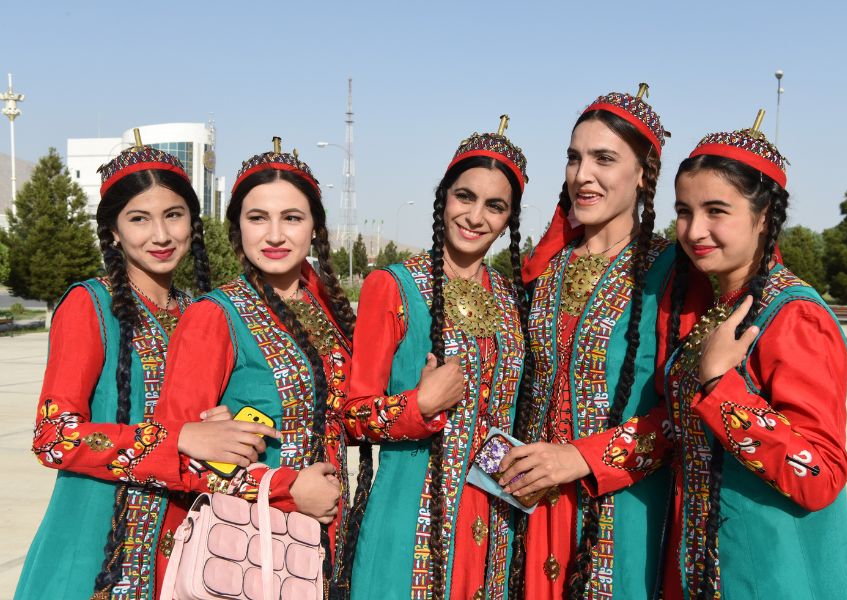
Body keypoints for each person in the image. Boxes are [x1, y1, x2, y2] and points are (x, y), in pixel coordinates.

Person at [661, 111, 847, 599]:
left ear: (764, 217)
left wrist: (719, 385)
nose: (694, 230)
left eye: (716, 211)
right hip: (709, 566)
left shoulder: (794, 316)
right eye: (685, 211)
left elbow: (819, 474)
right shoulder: (724, 307)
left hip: (772, 573)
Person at [153, 138, 359, 596]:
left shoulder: (326, 309)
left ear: (315, 229)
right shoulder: (214, 315)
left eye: (292, 217)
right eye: (257, 218)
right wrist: (286, 487)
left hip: (328, 538)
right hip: (251, 547)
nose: (274, 235)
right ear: (238, 228)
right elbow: (171, 451)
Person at [15, 131, 214, 599]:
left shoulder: (202, 312)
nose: (161, 235)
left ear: (193, 222)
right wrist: (177, 439)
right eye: (139, 219)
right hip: (93, 552)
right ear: (113, 231)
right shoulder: (90, 305)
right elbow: (54, 437)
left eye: (173, 215)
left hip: (184, 555)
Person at [500, 86, 680, 599]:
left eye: (605, 158)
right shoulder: (548, 268)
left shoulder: (672, 272)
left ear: (644, 173)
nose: (583, 175)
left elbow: (688, 411)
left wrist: (581, 458)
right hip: (530, 513)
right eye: (575, 158)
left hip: (623, 512)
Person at [346, 117, 529, 599]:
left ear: (509, 219)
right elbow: (351, 414)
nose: (475, 217)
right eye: (464, 197)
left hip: (493, 518)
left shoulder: (511, 298)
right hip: (414, 515)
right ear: (442, 197)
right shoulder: (392, 287)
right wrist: (418, 405)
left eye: (495, 206)